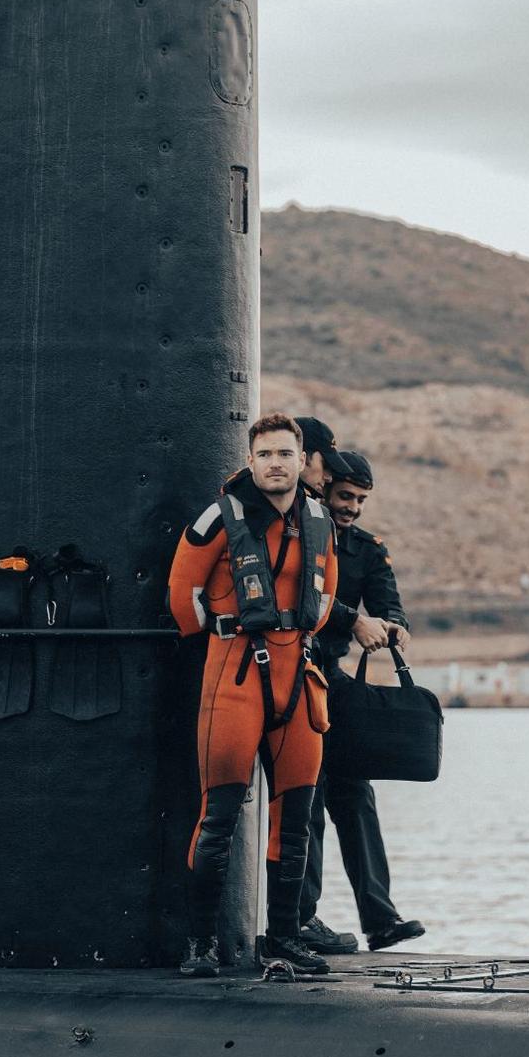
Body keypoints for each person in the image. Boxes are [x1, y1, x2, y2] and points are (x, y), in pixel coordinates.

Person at [167, 412, 340, 977]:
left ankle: (284, 937)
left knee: (295, 816)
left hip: (297, 675)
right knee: (218, 816)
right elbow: (182, 595)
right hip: (234, 675)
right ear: (250, 460)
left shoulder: (318, 519)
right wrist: (224, 631)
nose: (275, 464)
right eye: (264, 455)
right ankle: (200, 945)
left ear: (300, 460)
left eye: (285, 454)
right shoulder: (220, 517)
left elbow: (326, 589)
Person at [296, 448, 427, 954]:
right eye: (345, 496)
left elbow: (389, 602)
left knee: (354, 797)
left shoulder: (367, 550)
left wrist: (395, 625)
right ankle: (302, 919)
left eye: (360, 500)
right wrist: (354, 618)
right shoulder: (300, 539)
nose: (351, 507)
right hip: (293, 678)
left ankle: (380, 918)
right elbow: (301, 600)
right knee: (305, 801)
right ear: (325, 488)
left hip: (334, 683)